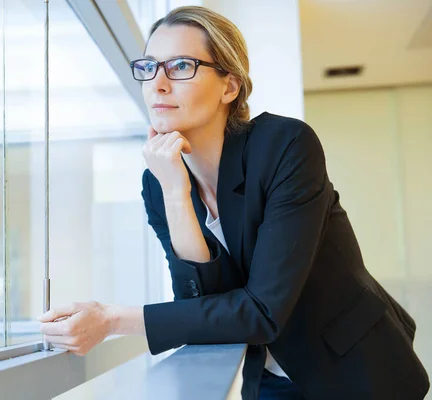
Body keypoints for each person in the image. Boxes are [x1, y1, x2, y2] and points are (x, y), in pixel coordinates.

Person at [38, 6, 429, 399]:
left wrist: (111, 320)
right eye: (148, 67)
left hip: (358, 370)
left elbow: (262, 310)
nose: (157, 83)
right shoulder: (160, 181)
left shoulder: (285, 146)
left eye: (180, 66)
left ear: (230, 86)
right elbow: (201, 306)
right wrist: (176, 193)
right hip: (272, 377)